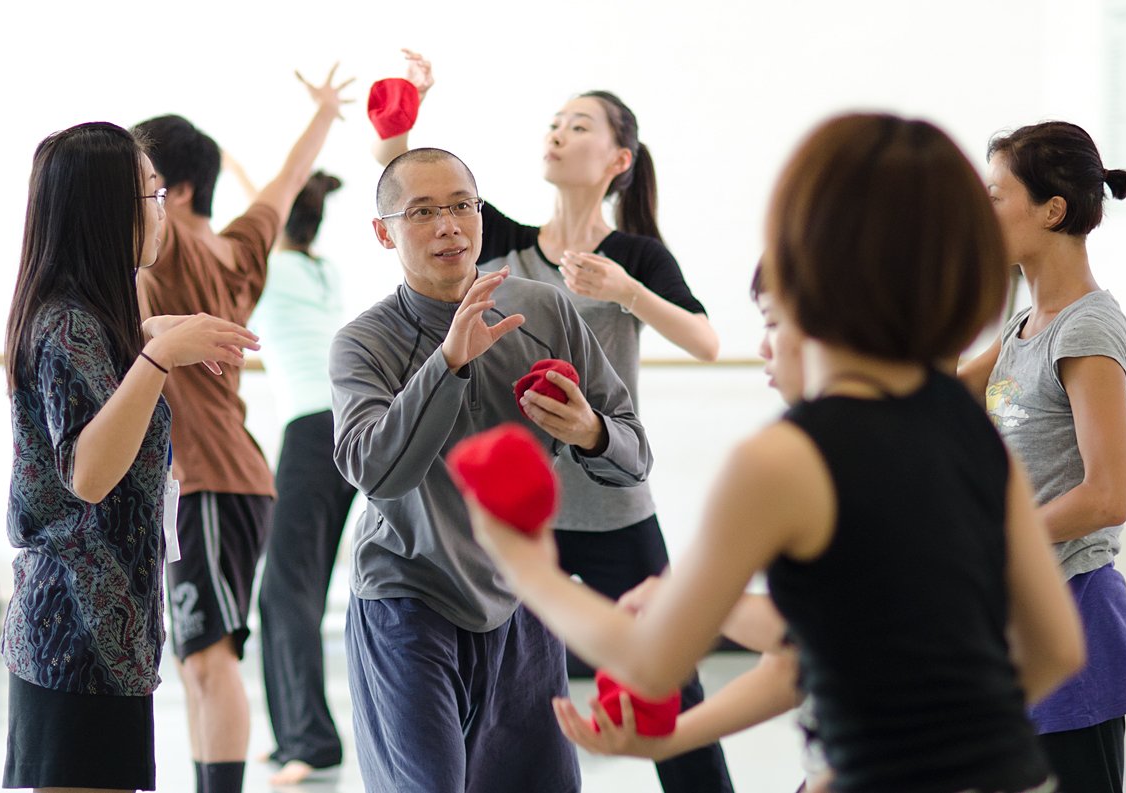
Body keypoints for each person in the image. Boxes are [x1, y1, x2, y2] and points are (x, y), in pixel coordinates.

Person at [465, 113, 1087, 793]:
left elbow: (648, 660)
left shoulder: (784, 459)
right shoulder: (964, 427)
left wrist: (524, 560)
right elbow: (1054, 647)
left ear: (808, 263)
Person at [374, 49, 731, 793]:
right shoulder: (499, 239)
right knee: (515, 695)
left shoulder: (634, 254)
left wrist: (627, 290)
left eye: (579, 125)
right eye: (553, 123)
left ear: (618, 158)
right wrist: (405, 115)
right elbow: (416, 202)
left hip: (607, 498)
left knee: (661, 676)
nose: (558, 134)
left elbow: (705, 341)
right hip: (518, 508)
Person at [330, 147, 652, 793]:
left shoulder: (544, 310)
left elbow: (634, 455)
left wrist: (590, 431)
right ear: (383, 231)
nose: (449, 224)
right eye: (423, 211)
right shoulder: (363, 341)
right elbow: (376, 470)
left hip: (523, 598)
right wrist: (447, 361)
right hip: (406, 597)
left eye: (460, 206)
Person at [1, 121, 259, 792]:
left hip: (106, 634)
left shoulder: (90, 316)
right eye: (151, 193)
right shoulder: (66, 322)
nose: (164, 208)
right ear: (105, 209)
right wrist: (158, 356)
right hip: (75, 632)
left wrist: (150, 334)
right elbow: (88, 473)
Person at [133, 65, 353, 793]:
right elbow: (284, 186)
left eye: (145, 181)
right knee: (200, 656)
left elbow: (282, 187)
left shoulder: (171, 244)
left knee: (208, 656)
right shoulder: (242, 251)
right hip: (213, 479)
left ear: (179, 192)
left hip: (213, 478)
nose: (134, 200)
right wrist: (322, 115)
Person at [552, 266, 831, 793]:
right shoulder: (949, 425)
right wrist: (669, 739)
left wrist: (517, 559)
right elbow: (797, 660)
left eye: (773, 324)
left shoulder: (790, 457)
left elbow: (810, 646)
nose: (763, 349)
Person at [959, 121, 1126, 793]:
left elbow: (1107, 494)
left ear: (1052, 210)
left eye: (994, 196)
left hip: (1078, 613)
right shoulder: (1023, 327)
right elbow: (933, 397)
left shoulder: (1087, 326)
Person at [249, 171, 356, 785]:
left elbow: (257, 219)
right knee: (300, 592)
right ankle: (297, 733)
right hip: (347, 425)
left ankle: (309, 743)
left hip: (311, 429)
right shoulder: (320, 271)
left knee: (284, 591)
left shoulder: (268, 268)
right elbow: (271, 213)